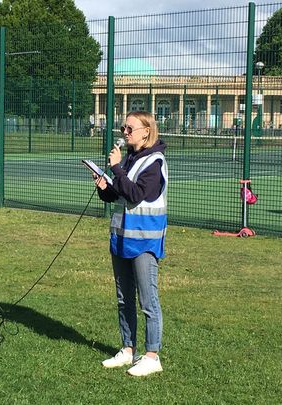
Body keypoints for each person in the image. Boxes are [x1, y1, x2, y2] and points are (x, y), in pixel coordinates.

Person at [93, 111, 168, 377]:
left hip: (145, 240)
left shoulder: (154, 162)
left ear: (146, 131)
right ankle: (127, 349)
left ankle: (152, 355)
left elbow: (136, 194)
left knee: (148, 299)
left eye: (130, 128)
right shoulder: (130, 159)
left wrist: (115, 169)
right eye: (123, 126)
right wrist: (105, 185)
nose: (124, 131)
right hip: (122, 238)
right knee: (124, 298)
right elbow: (119, 193)